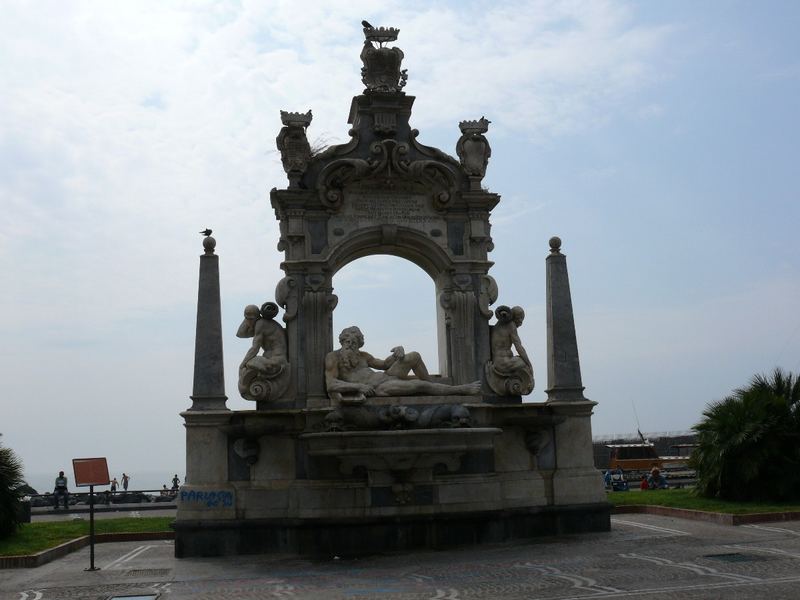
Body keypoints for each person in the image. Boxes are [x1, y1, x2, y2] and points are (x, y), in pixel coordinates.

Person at [324, 326, 481, 400]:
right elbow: (331, 385)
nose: (351, 345)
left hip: (386, 377)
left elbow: (384, 365)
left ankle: (434, 388)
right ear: (342, 341)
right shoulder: (333, 357)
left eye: (355, 342)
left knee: (414, 356)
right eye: (348, 341)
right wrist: (359, 387)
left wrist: (397, 353)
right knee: (420, 386)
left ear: (360, 343)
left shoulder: (363, 356)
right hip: (379, 388)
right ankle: (460, 389)